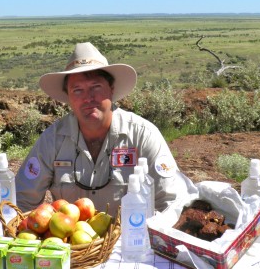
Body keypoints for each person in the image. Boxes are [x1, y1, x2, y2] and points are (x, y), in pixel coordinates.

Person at [15, 42, 179, 216]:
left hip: (131, 239)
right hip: (70, 241)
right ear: (68, 97)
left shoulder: (143, 135)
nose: (88, 98)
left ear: (111, 90)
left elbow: (171, 203)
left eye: (96, 87)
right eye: (77, 90)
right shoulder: (52, 139)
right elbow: (22, 200)